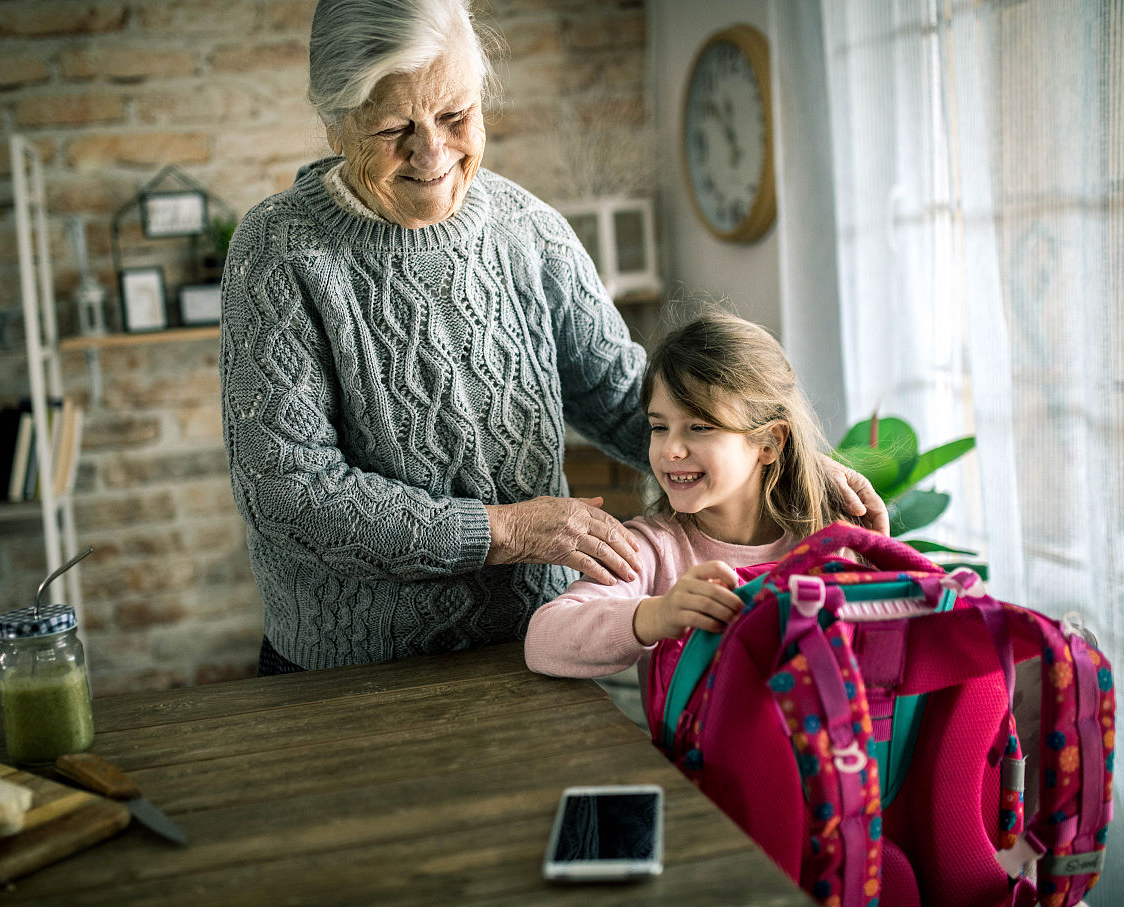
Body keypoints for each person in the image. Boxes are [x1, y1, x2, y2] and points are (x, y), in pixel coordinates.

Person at [219, 0, 885, 674]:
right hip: (349, 671)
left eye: (456, 117)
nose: (432, 153)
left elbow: (623, 394)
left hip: (532, 648)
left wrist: (781, 459)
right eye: (395, 128)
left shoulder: (525, 229)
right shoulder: (277, 252)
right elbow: (290, 491)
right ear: (335, 123)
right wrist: (502, 530)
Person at [524, 311, 853, 683]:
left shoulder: (826, 543)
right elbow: (542, 640)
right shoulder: (650, 550)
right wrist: (658, 616)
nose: (671, 450)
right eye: (659, 427)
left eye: (699, 427)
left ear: (770, 443)